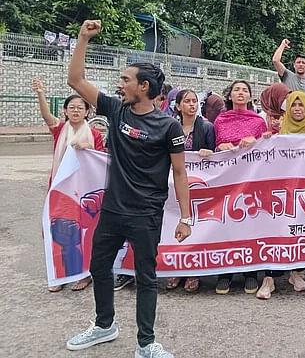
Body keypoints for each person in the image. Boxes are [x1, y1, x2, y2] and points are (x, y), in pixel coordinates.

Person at [65, 20, 191, 358]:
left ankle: (146, 344)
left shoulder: (169, 125)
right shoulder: (115, 108)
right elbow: (75, 80)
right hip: (112, 210)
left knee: (146, 277)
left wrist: (186, 218)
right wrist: (82, 38)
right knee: (99, 267)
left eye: (125, 80)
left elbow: (179, 173)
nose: (119, 85)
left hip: (146, 214)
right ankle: (105, 325)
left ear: (144, 86)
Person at [32, 77, 106, 292]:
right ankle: (59, 275)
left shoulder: (93, 134)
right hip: (61, 190)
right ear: (65, 111)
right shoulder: (60, 130)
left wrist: (88, 149)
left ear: (87, 112)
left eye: (79, 108)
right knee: (60, 233)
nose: (75, 111)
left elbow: (100, 161)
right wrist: (40, 94)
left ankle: (84, 275)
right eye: (71, 108)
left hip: (84, 192)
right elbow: (47, 116)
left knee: (84, 233)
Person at [256, 91, 305, 300]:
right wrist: (264, 141)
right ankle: (269, 278)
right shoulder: (276, 133)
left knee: (301, 229)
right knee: (276, 230)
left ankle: (296, 272)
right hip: (280, 192)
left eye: (301, 105)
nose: (298, 109)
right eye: (293, 105)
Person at [213, 80, 269, 295]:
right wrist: (220, 146)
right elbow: (215, 147)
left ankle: (250, 272)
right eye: (237, 90)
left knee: (250, 220)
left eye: (244, 90)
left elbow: (265, 148)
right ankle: (225, 272)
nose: (240, 93)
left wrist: (253, 141)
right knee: (226, 220)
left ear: (249, 97)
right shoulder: (220, 120)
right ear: (230, 95)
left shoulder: (258, 122)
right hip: (227, 178)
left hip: (251, 178)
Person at [165, 89, 215, 293]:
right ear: (178, 106)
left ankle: (194, 270)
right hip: (172, 183)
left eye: (195, 101)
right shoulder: (170, 127)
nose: (192, 105)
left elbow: (218, 156)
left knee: (196, 224)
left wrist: (208, 152)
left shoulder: (207, 127)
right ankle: (176, 267)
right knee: (173, 222)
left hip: (200, 184)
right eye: (187, 101)